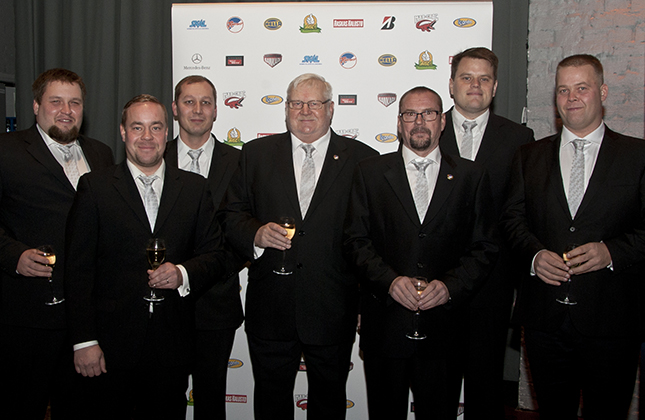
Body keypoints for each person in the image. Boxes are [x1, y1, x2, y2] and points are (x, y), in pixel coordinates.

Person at [219, 73, 378, 420]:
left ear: (331, 109)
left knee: (329, 405)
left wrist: (366, 301)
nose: (305, 111)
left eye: (314, 103)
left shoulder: (363, 160)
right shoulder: (256, 154)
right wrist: (256, 234)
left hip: (333, 308)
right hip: (271, 307)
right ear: (286, 109)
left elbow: (371, 238)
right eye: (296, 103)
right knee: (271, 405)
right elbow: (231, 214)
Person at [65, 94, 233, 419]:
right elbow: (77, 270)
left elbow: (216, 255)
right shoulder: (95, 187)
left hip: (172, 344)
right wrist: (84, 341)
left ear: (167, 132)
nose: (146, 137)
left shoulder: (195, 188)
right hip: (109, 346)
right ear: (123, 132)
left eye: (155, 127)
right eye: (137, 127)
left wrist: (182, 273)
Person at [501, 54, 645, 420]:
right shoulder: (528, 156)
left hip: (612, 320)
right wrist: (534, 256)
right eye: (563, 90)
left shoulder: (637, 156)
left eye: (582, 88)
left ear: (603, 92)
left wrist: (611, 252)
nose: (572, 98)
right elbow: (512, 221)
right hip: (544, 321)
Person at [343, 86, 499, 420]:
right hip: (386, 327)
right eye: (410, 114)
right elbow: (355, 241)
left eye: (428, 113)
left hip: (445, 330)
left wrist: (450, 287)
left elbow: (485, 246)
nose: (419, 121)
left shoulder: (472, 176)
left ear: (442, 122)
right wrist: (389, 281)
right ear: (399, 122)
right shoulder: (369, 172)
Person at [0, 68, 113, 419]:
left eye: (74, 103)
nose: (66, 110)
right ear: (36, 106)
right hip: (27, 315)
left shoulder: (101, 154)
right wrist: (13, 255)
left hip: (87, 320)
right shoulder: (6, 150)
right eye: (56, 102)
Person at [439, 47, 534, 418]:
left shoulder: (519, 138)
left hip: (493, 284)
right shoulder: (427, 129)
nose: (474, 85)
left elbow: (520, 212)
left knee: (486, 384)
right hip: (437, 281)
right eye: (466, 77)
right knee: (438, 383)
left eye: (483, 79)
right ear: (451, 85)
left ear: (494, 87)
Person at [166, 75, 244, 420]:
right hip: (164, 302)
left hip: (217, 301)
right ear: (175, 108)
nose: (197, 110)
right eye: (189, 101)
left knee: (211, 401)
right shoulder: (153, 155)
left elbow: (245, 230)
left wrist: (202, 271)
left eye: (206, 102)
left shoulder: (241, 162)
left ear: (215, 111)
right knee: (164, 400)